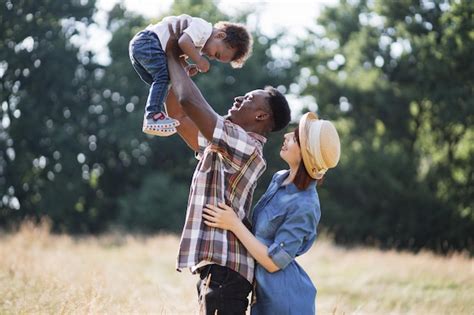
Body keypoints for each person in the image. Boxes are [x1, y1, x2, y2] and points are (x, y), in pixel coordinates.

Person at [163, 20, 291, 315]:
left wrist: (173, 56)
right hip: (216, 268)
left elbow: (188, 100)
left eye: (247, 99)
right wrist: (183, 66)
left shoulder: (246, 146)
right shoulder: (224, 142)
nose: (237, 99)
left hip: (227, 269)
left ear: (260, 116)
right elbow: (177, 114)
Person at [202, 112, 341, 314]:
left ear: (306, 154)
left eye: (295, 138)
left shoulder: (306, 205)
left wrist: (234, 224)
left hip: (283, 302)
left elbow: (274, 262)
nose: (286, 137)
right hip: (261, 294)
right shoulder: (279, 179)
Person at [129, 14, 252, 137]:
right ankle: (153, 115)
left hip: (144, 47)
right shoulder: (202, 28)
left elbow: (177, 53)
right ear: (220, 35)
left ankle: (153, 114)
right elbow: (183, 41)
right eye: (217, 54)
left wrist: (186, 66)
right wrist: (199, 61)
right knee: (163, 78)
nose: (211, 57)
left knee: (164, 84)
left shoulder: (199, 43)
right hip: (149, 41)